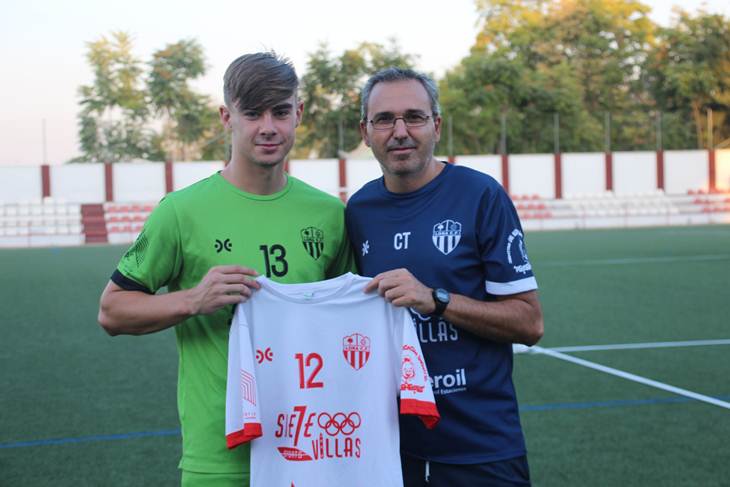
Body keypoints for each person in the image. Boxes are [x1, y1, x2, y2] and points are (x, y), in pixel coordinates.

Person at [98, 52, 354, 487]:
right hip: (219, 459)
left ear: (299, 114)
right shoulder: (181, 211)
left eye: (280, 112)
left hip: (312, 447)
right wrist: (193, 300)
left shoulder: (330, 214)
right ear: (226, 117)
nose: (268, 127)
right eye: (252, 113)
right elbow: (112, 311)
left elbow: (347, 320)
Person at [345, 67, 544, 486]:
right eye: (385, 119)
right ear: (365, 132)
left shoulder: (481, 195)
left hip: (481, 448)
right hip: (391, 450)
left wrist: (436, 299)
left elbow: (529, 323)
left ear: (436, 125)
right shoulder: (358, 211)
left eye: (414, 117)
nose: (400, 131)